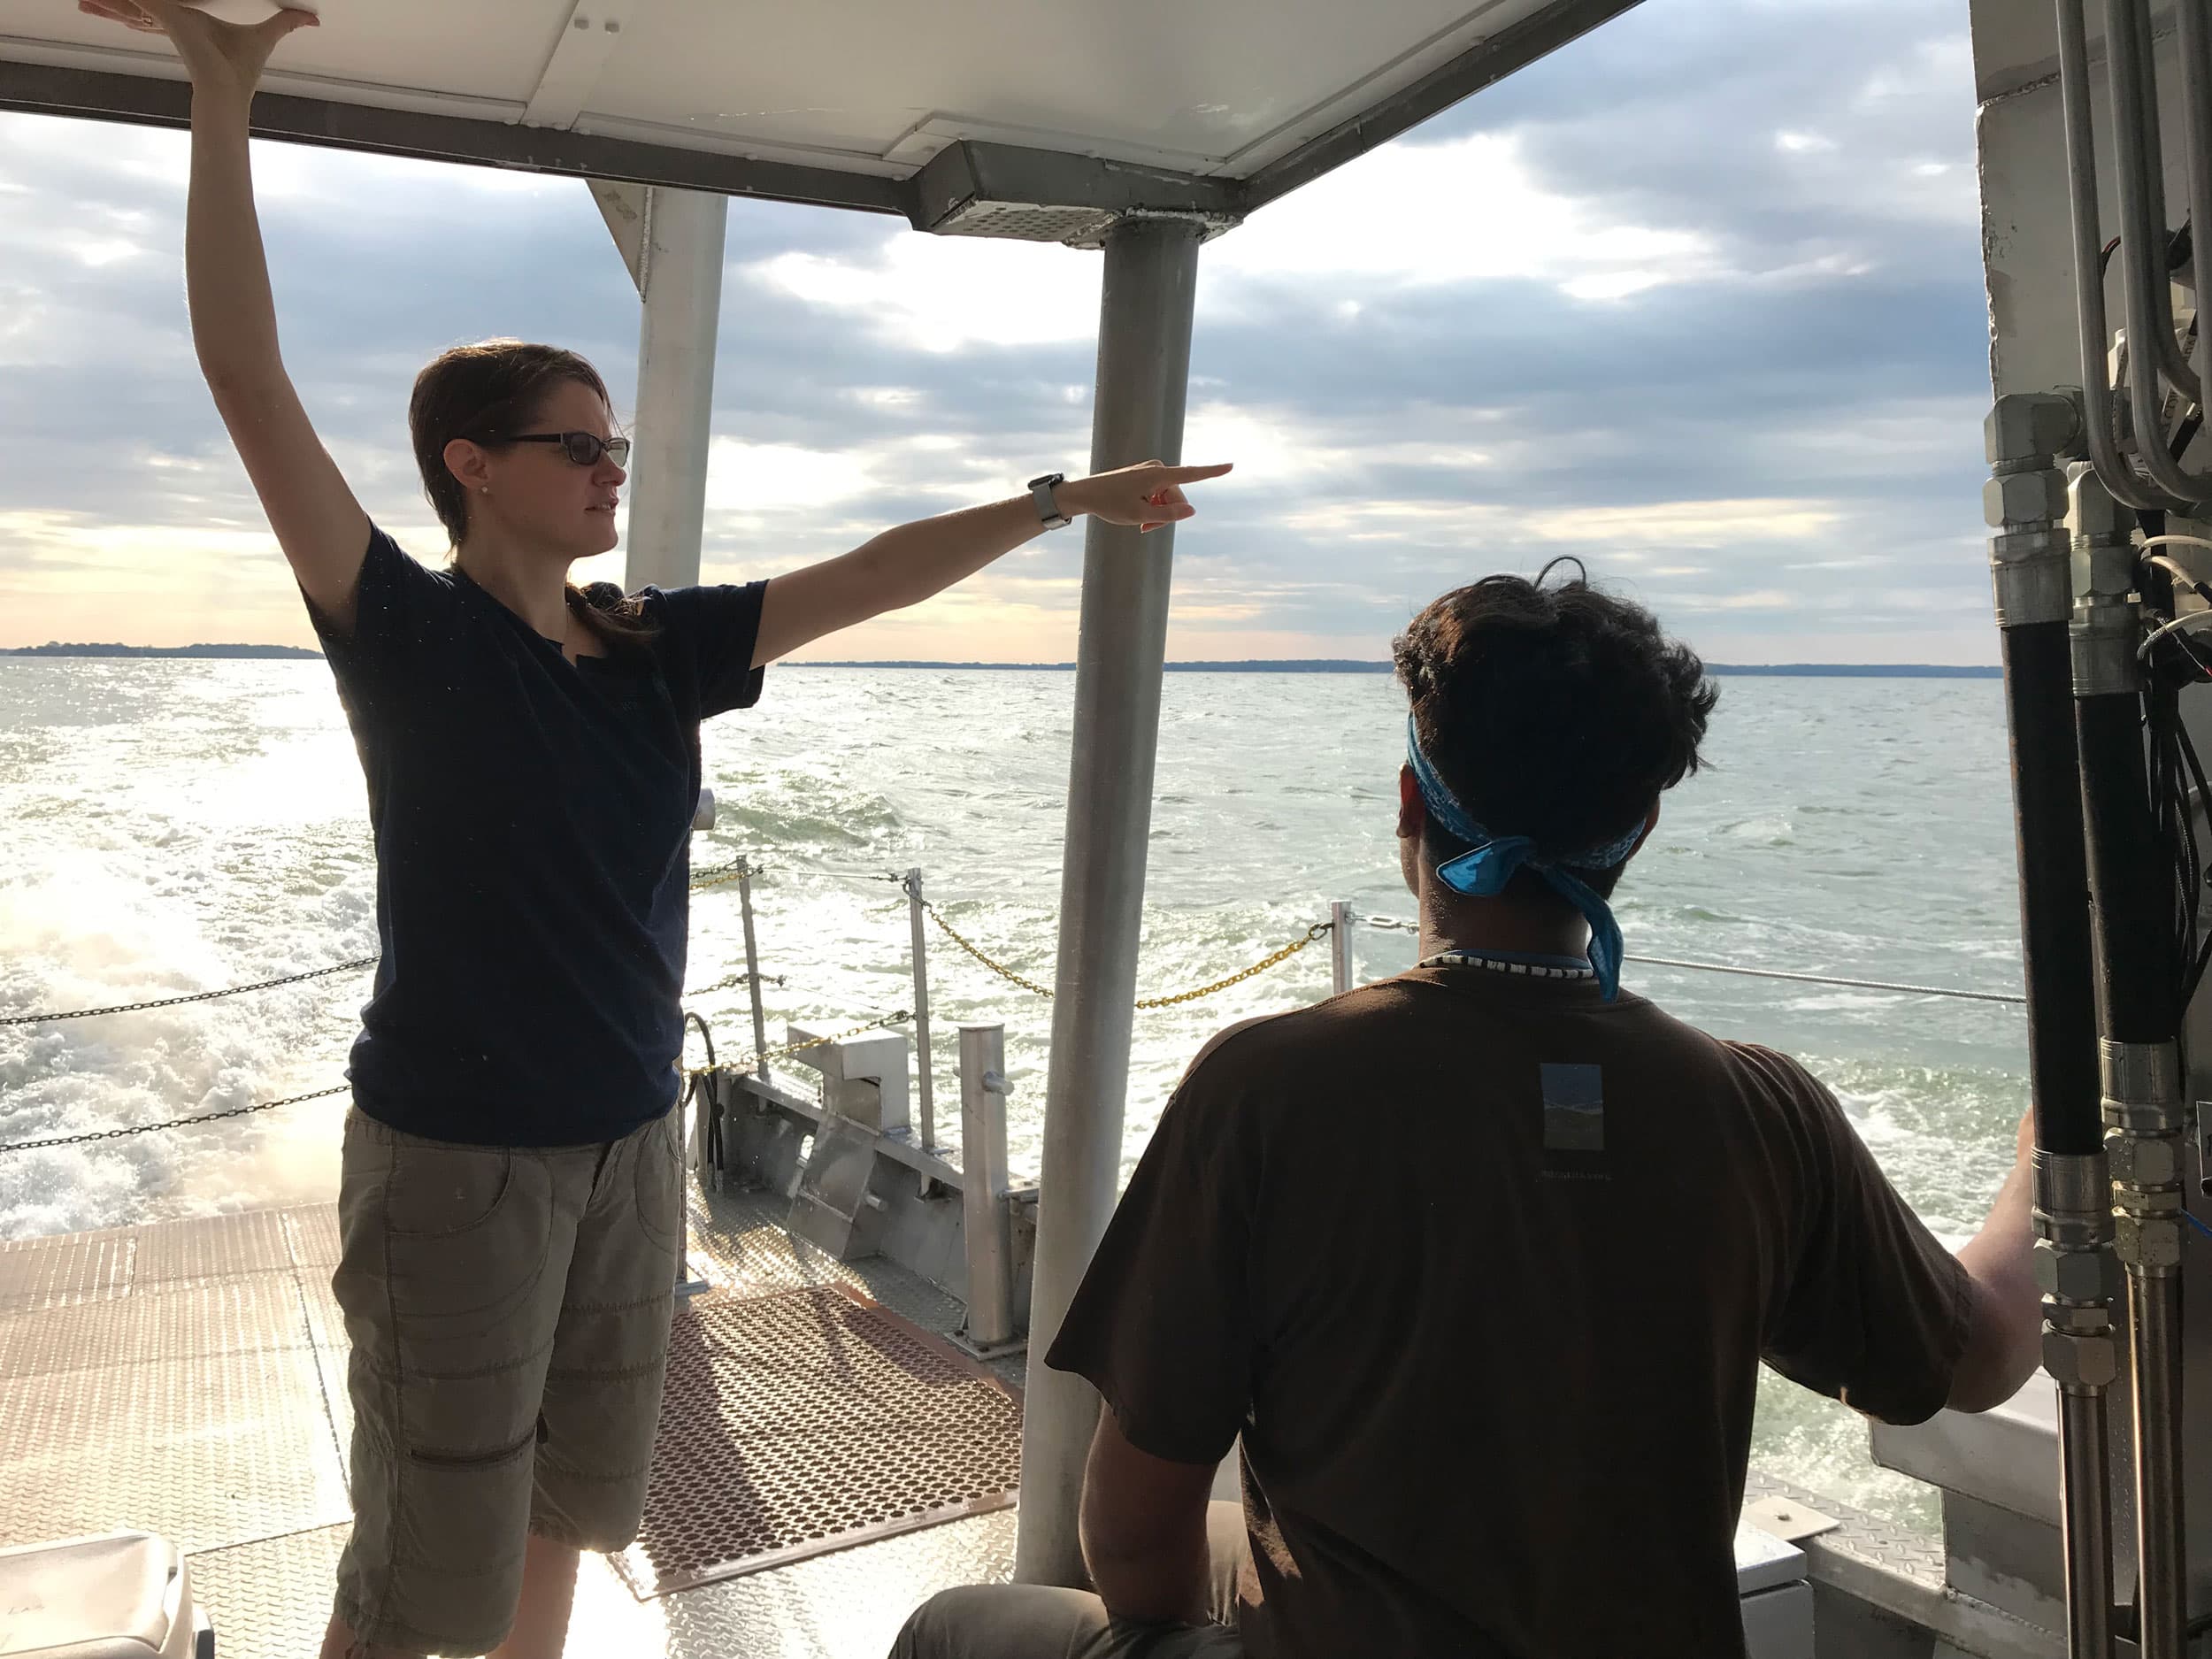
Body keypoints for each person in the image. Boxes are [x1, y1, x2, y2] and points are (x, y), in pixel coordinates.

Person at [78, 4, 1231, 1656]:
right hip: (458, 1165)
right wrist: (221, 93)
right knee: (426, 1543)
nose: (611, 470)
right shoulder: (408, 634)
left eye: (620, 445)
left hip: (631, 1139)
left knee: (572, 1498)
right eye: (579, 447)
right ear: (470, 466)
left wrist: (1061, 499)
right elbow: (248, 378)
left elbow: (864, 578)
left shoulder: (646, 646)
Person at [891, 564, 2044, 1659]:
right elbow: (1981, 1356)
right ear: (1639, 826)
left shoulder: (1268, 1094)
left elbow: (1134, 1545)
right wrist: (2052, 1146)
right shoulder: (1757, 1112)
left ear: (1410, 802)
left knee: (954, 1629)